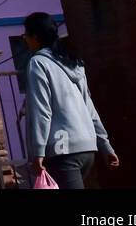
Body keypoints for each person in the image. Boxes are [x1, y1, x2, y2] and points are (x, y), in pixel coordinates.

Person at [22, 12, 119, 189]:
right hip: (87, 147)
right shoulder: (73, 61)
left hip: (63, 151)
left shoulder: (38, 63)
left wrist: (38, 151)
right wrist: (105, 146)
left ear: (35, 37)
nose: (25, 40)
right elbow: (89, 107)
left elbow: (41, 111)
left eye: (26, 36)